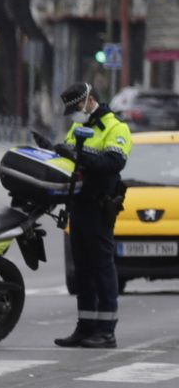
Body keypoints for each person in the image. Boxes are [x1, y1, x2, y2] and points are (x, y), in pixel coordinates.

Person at [53, 81, 132, 349]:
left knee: (102, 270)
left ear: (89, 101)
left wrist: (78, 155)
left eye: (76, 107)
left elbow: (113, 163)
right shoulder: (78, 126)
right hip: (79, 206)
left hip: (100, 207)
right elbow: (69, 160)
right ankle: (85, 327)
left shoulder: (116, 127)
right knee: (83, 271)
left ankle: (106, 332)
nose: (75, 114)